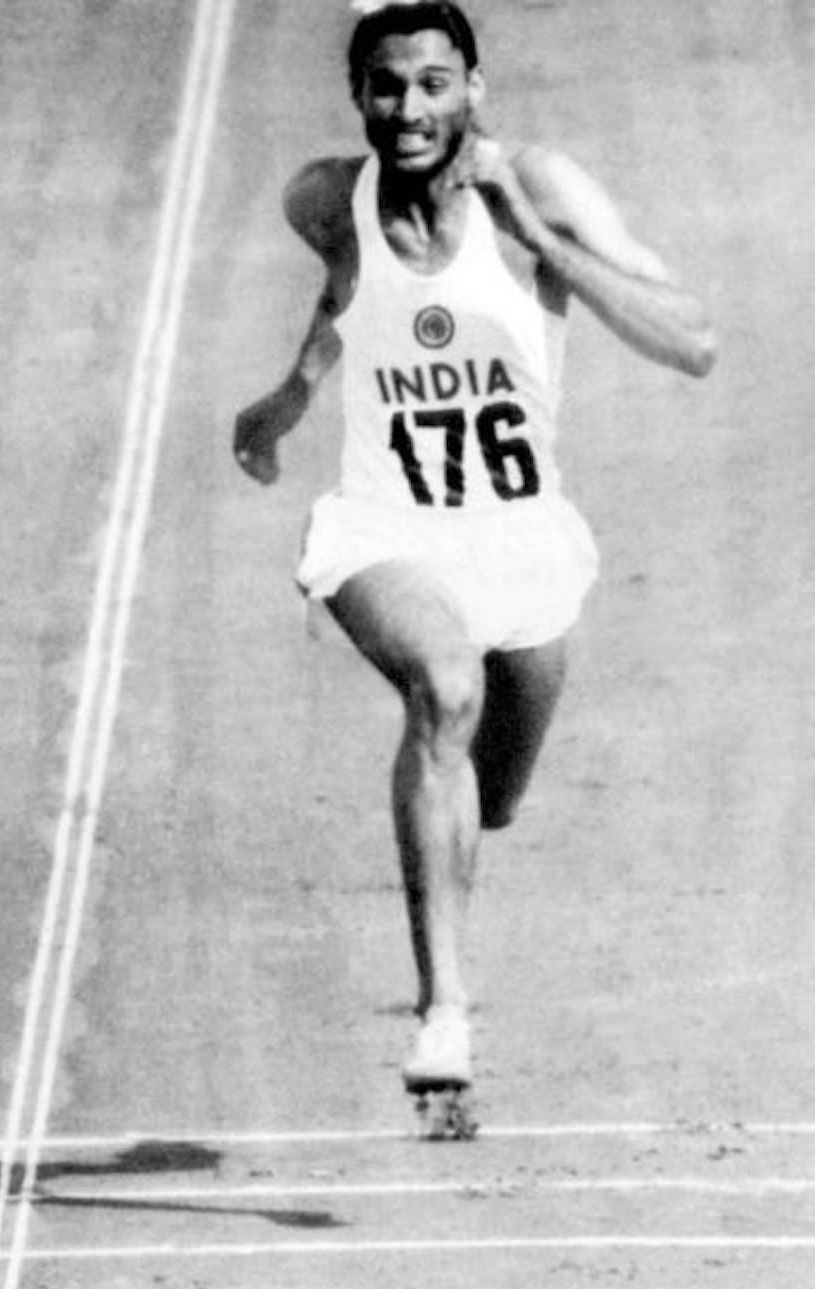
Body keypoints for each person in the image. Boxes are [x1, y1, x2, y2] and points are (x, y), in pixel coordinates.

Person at [232, 0, 714, 1127]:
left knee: (490, 792)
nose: (411, 109)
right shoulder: (322, 197)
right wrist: (292, 394)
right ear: (359, 94)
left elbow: (692, 340)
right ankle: (445, 1007)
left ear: (474, 88)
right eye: (388, 87)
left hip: (523, 538)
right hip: (384, 524)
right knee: (443, 687)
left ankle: (456, 841)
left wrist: (544, 251)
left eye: (436, 84)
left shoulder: (540, 186)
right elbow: (345, 285)